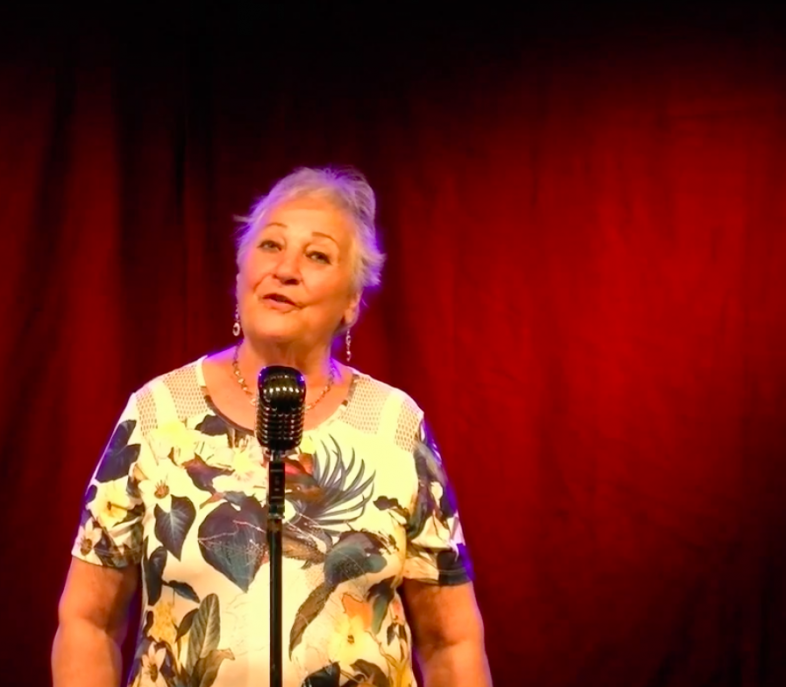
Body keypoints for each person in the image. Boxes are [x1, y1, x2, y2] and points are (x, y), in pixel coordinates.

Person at [51, 167, 492, 687]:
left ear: (352, 302)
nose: (285, 270)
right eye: (270, 246)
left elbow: (450, 642)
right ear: (240, 275)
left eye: (318, 255)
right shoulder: (158, 413)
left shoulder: (395, 426)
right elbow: (89, 622)